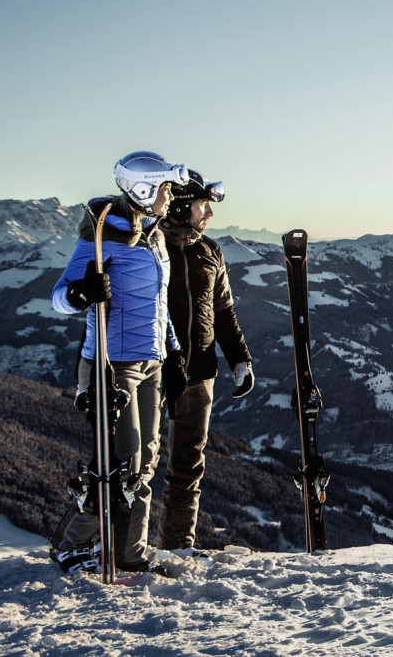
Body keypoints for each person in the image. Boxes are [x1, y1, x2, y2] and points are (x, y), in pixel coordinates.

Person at [50, 151, 189, 573]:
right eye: (166, 189)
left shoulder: (155, 234)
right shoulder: (101, 233)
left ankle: (131, 551)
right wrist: (82, 293)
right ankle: (72, 544)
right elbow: (59, 296)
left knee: (145, 461)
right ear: (145, 190)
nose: (171, 197)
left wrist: (174, 351)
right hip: (112, 364)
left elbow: (159, 303)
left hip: (151, 361)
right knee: (119, 462)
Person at [157, 169, 254, 552]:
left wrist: (240, 359)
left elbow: (224, 310)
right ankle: (123, 547)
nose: (209, 214)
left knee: (187, 467)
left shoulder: (210, 251)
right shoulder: (149, 247)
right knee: (136, 464)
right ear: (181, 207)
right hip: (152, 372)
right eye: (203, 206)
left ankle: (176, 547)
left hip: (199, 373)